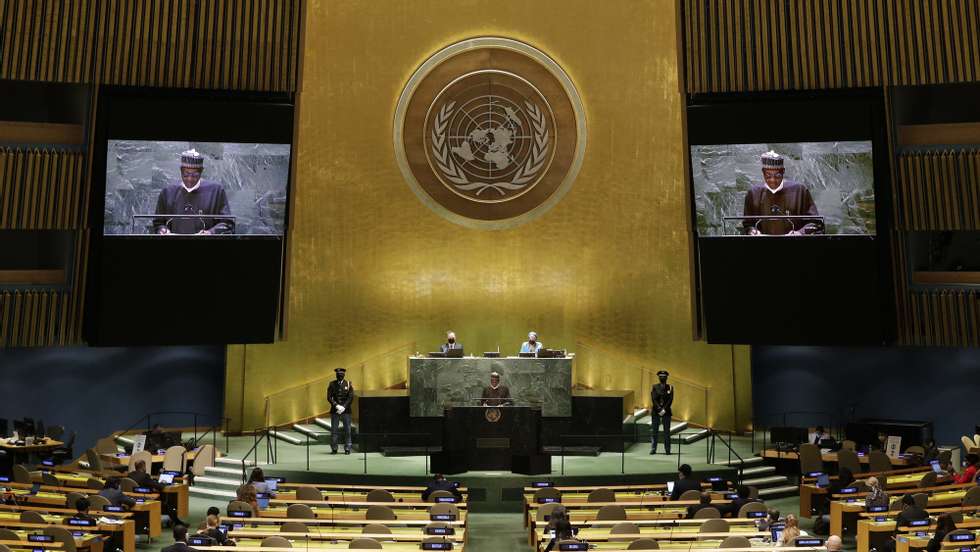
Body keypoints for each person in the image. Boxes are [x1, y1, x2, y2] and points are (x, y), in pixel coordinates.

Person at [152, 148, 233, 235]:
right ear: (181, 171)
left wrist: (210, 233)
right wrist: (163, 230)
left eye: (195, 175)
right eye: (186, 175)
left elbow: (227, 223)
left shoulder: (216, 191)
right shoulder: (167, 192)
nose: (190, 179)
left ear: (201, 172)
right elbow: (158, 223)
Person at [741, 150, 821, 236]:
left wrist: (799, 233)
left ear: (783, 172)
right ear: (763, 173)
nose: (773, 180)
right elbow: (747, 224)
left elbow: (815, 223)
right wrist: (752, 231)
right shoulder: (753, 193)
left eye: (777, 176)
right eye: (768, 176)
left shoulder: (799, 190)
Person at [327, 367, 354, 455]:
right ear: (336, 375)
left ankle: (347, 448)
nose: (340, 376)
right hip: (335, 410)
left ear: (344, 375)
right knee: (334, 430)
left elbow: (350, 397)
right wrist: (336, 405)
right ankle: (334, 448)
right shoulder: (332, 384)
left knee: (348, 430)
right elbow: (329, 397)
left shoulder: (349, 384)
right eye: (338, 375)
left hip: (346, 411)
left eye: (341, 374)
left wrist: (344, 406)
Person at [650, 370, 673, 454]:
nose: (662, 378)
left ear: (667, 378)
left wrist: (664, 409)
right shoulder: (655, 386)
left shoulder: (670, 387)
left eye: (664, 376)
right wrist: (659, 409)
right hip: (656, 411)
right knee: (654, 431)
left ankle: (667, 449)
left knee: (667, 432)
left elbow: (670, 399)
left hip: (666, 412)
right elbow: (653, 399)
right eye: (661, 376)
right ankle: (653, 448)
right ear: (658, 377)